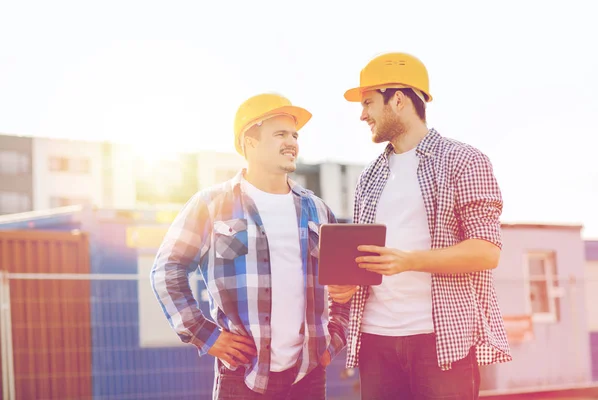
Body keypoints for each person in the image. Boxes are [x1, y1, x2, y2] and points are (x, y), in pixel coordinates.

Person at [327, 52, 512, 399]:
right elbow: (367, 258)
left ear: (398, 99)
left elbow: (486, 252)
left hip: (440, 341)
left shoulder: (464, 160)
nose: (362, 114)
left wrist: (409, 261)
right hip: (376, 341)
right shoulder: (369, 177)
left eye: (368, 102)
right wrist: (346, 286)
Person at [150, 93, 350, 399]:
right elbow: (167, 270)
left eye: (295, 135)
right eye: (280, 134)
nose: (292, 142)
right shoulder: (212, 204)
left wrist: (335, 336)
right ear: (250, 142)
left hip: (308, 376)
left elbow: (345, 283)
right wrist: (207, 335)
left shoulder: (318, 210)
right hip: (241, 376)